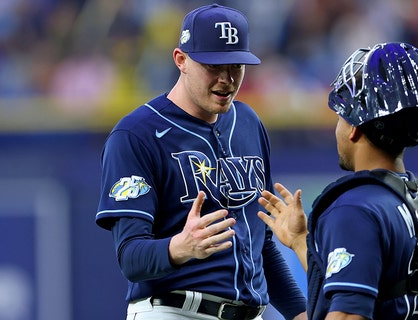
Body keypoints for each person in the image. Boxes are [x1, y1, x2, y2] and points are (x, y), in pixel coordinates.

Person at [95, 3, 307, 320]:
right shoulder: (136, 135)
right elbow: (130, 256)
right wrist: (179, 247)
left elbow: (260, 245)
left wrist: (300, 314)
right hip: (175, 311)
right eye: (213, 65)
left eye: (236, 65)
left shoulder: (248, 122)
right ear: (181, 60)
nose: (226, 79)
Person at [257, 42, 418, 319]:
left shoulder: (355, 208)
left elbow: (349, 315)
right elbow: (370, 287)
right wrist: (301, 242)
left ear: (354, 128)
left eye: (340, 117)